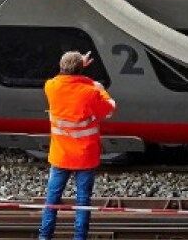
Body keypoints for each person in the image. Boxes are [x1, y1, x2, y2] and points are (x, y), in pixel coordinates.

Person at [38, 51, 117, 240]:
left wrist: (77, 65)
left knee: (52, 200)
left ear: (61, 67)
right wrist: (98, 87)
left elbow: (63, 79)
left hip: (60, 155)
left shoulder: (51, 87)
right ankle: (80, 237)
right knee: (83, 201)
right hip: (85, 156)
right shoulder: (90, 92)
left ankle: (44, 236)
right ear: (81, 69)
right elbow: (110, 109)